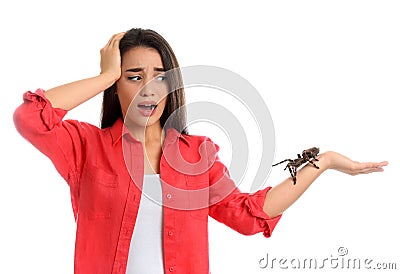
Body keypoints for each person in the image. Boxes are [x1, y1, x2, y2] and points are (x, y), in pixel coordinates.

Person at [13, 28, 388, 274]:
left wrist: (324, 162)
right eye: (133, 76)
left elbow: (249, 215)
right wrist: (104, 76)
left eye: (160, 76)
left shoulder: (196, 155)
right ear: (117, 86)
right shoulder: (85, 147)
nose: (149, 88)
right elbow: (31, 116)